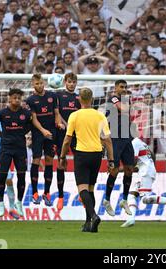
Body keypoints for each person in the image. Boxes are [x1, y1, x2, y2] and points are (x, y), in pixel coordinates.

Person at [58, 87, 114, 233]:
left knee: (82, 189)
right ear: (92, 99)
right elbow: (107, 140)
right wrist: (111, 160)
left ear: (79, 99)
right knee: (90, 189)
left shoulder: (74, 116)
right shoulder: (100, 116)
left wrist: (62, 157)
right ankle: (88, 223)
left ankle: (94, 216)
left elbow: (67, 139)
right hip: (97, 155)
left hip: (82, 154)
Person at [121, 135, 166, 228]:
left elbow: (132, 162)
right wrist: (149, 165)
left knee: (145, 199)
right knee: (131, 194)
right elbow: (151, 154)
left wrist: (119, 169)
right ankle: (131, 219)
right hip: (145, 170)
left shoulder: (134, 143)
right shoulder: (139, 142)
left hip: (145, 172)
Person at [0, 88, 33, 217]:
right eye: (15, 97)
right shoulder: (2, 113)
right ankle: (1, 203)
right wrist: (2, 135)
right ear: (9, 98)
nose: (17, 100)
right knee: (2, 176)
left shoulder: (25, 113)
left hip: (20, 149)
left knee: (21, 176)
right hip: (6, 149)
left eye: (19, 98)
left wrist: (22, 133)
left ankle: (19, 203)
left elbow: (31, 125)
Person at [26, 74, 64, 206]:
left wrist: (58, 123)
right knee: (36, 160)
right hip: (38, 134)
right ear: (33, 85)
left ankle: (47, 192)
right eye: (37, 84)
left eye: (41, 83)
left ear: (44, 83)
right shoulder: (30, 100)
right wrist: (43, 131)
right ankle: (35, 192)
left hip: (52, 134)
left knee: (49, 161)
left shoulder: (52, 96)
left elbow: (57, 113)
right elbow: (34, 119)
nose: (40, 86)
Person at [103, 80, 135, 216]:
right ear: (116, 87)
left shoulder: (126, 100)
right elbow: (123, 109)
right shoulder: (113, 98)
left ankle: (125, 200)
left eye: (125, 87)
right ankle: (107, 200)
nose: (123, 89)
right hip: (115, 139)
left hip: (126, 138)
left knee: (129, 169)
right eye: (121, 87)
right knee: (114, 171)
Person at [54, 73, 81, 210]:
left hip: (76, 134)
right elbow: (56, 112)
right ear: (65, 82)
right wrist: (63, 123)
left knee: (79, 163)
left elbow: (82, 115)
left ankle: (81, 193)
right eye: (69, 82)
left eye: (74, 82)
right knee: (61, 163)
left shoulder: (79, 97)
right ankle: (60, 196)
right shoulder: (58, 95)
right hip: (61, 134)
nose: (71, 84)